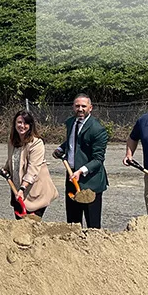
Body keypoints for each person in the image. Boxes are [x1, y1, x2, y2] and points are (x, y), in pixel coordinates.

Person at [53, 94, 108, 228]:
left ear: (90, 108)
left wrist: (81, 171)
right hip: (71, 176)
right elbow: (73, 141)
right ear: (73, 107)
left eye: (84, 106)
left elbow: (98, 159)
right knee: (73, 222)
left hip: (90, 180)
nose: (80, 109)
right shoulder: (71, 122)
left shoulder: (97, 129)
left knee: (92, 225)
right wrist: (61, 148)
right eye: (77, 106)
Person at [3, 111, 58, 220]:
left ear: (30, 126)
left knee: (31, 227)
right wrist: (5, 169)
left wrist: (22, 188)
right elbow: (13, 159)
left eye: (25, 123)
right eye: (19, 122)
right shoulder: (12, 141)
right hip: (18, 191)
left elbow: (33, 170)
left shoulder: (36, 143)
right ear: (14, 124)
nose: (22, 126)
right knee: (20, 226)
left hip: (35, 192)